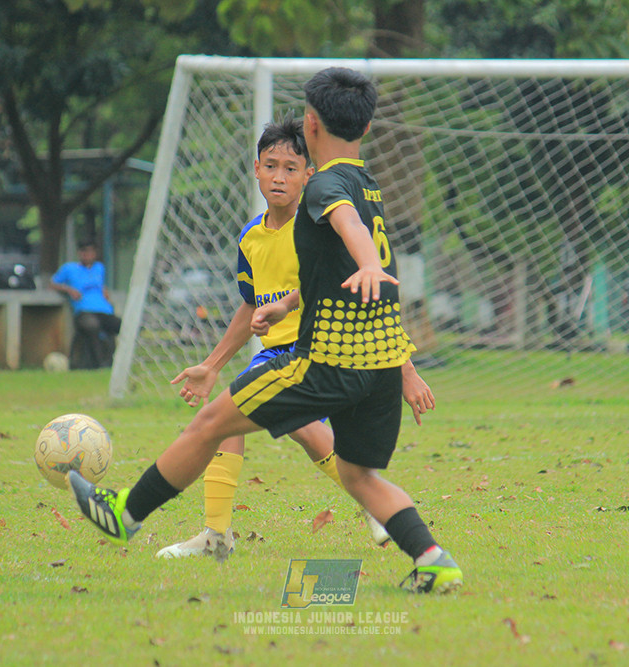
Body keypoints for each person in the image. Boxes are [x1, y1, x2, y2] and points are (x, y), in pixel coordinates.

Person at [68, 66, 462, 594]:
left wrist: (369, 262)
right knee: (358, 475)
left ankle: (125, 514)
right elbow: (341, 262)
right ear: (366, 129)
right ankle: (433, 559)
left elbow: (349, 231)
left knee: (210, 423)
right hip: (379, 367)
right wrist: (288, 305)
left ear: (311, 124)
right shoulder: (367, 185)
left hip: (326, 361)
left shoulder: (325, 185)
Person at [156, 115, 436, 559]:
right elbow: (250, 305)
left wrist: (406, 369)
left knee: (301, 426)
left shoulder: (320, 227)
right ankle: (216, 535)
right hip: (275, 355)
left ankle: (374, 503)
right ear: (256, 169)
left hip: (325, 351)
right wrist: (211, 365)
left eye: (291, 168)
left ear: (309, 174)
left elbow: (373, 294)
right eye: (271, 166)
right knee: (224, 422)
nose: (279, 177)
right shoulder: (250, 237)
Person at [50, 239, 121, 369]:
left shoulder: (99, 268)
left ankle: (119, 362)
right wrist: (69, 290)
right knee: (92, 326)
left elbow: (100, 284)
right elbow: (53, 284)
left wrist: (104, 290)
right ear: (79, 253)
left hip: (104, 310)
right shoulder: (69, 268)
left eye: (90, 252)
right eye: (84, 252)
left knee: (121, 326)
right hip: (84, 311)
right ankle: (98, 364)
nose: (87, 255)